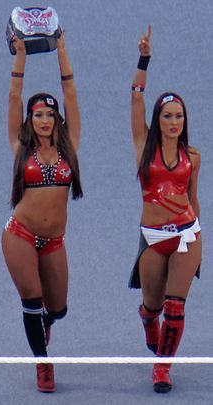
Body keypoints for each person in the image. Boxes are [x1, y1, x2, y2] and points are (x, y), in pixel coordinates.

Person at [1, 32, 83, 393]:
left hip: (54, 241)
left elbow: (72, 96)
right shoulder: (20, 147)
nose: (45, 120)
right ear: (29, 120)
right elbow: (14, 96)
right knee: (31, 301)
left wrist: (62, 53)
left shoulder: (70, 147)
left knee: (59, 308)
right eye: (38, 115)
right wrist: (21, 57)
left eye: (50, 115)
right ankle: (42, 363)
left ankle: (47, 322)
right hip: (19, 234)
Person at [128, 25, 202, 393]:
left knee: (176, 305)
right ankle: (146, 319)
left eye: (179, 117)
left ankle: (162, 367)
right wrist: (144, 59)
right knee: (154, 306)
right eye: (168, 116)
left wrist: (200, 236)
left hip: (188, 234)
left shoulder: (193, 157)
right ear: (158, 120)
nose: (174, 122)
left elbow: (194, 197)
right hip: (154, 237)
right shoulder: (144, 146)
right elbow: (136, 100)